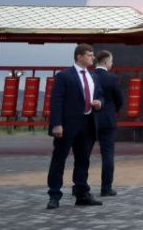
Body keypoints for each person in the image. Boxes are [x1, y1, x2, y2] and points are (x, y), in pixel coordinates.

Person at [46, 43, 103, 210]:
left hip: (88, 124)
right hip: (67, 125)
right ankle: (54, 195)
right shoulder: (64, 76)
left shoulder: (94, 76)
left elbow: (100, 95)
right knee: (59, 160)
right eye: (89, 55)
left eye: (93, 55)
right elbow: (56, 101)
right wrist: (57, 124)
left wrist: (99, 102)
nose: (92, 57)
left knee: (83, 160)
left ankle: (81, 194)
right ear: (79, 56)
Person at [93, 50, 125, 197]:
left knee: (83, 154)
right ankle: (106, 187)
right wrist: (113, 111)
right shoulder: (112, 79)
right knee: (107, 154)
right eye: (111, 61)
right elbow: (120, 100)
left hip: (89, 119)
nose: (112, 64)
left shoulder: (89, 76)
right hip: (107, 120)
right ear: (106, 62)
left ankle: (79, 187)